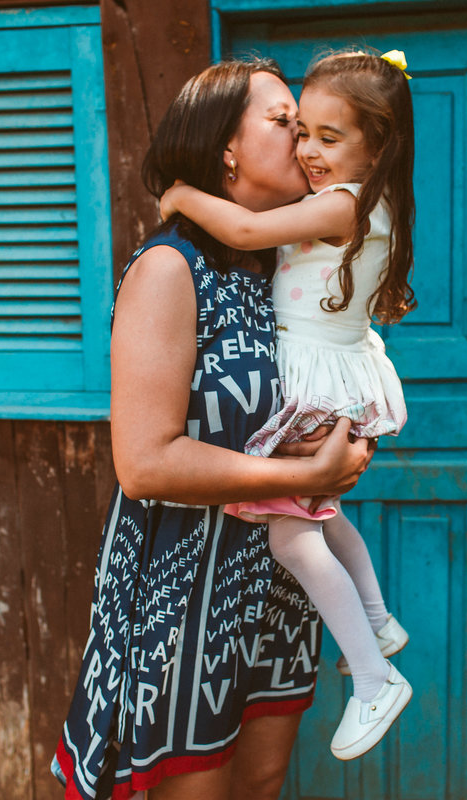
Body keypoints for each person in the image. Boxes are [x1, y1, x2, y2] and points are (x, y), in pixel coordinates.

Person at [53, 59, 375, 800]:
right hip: (184, 587)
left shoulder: (283, 270)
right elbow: (145, 463)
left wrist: (343, 442)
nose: (304, 141)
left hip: (277, 582)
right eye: (284, 122)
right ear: (225, 147)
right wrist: (304, 475)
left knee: (261, 781)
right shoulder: (171, 268)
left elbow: (327, 387)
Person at [158, 48, 417, 761]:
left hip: (318, 376)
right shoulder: (360, 203)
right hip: (331, 370)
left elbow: (243, 231)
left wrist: (181, 197)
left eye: (328, 138)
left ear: (377, 147)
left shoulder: (343, 204)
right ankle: (377, 619)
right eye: (301, 132)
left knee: (292, 538)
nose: (307, 151)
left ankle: (374, 679)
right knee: (324, 516)